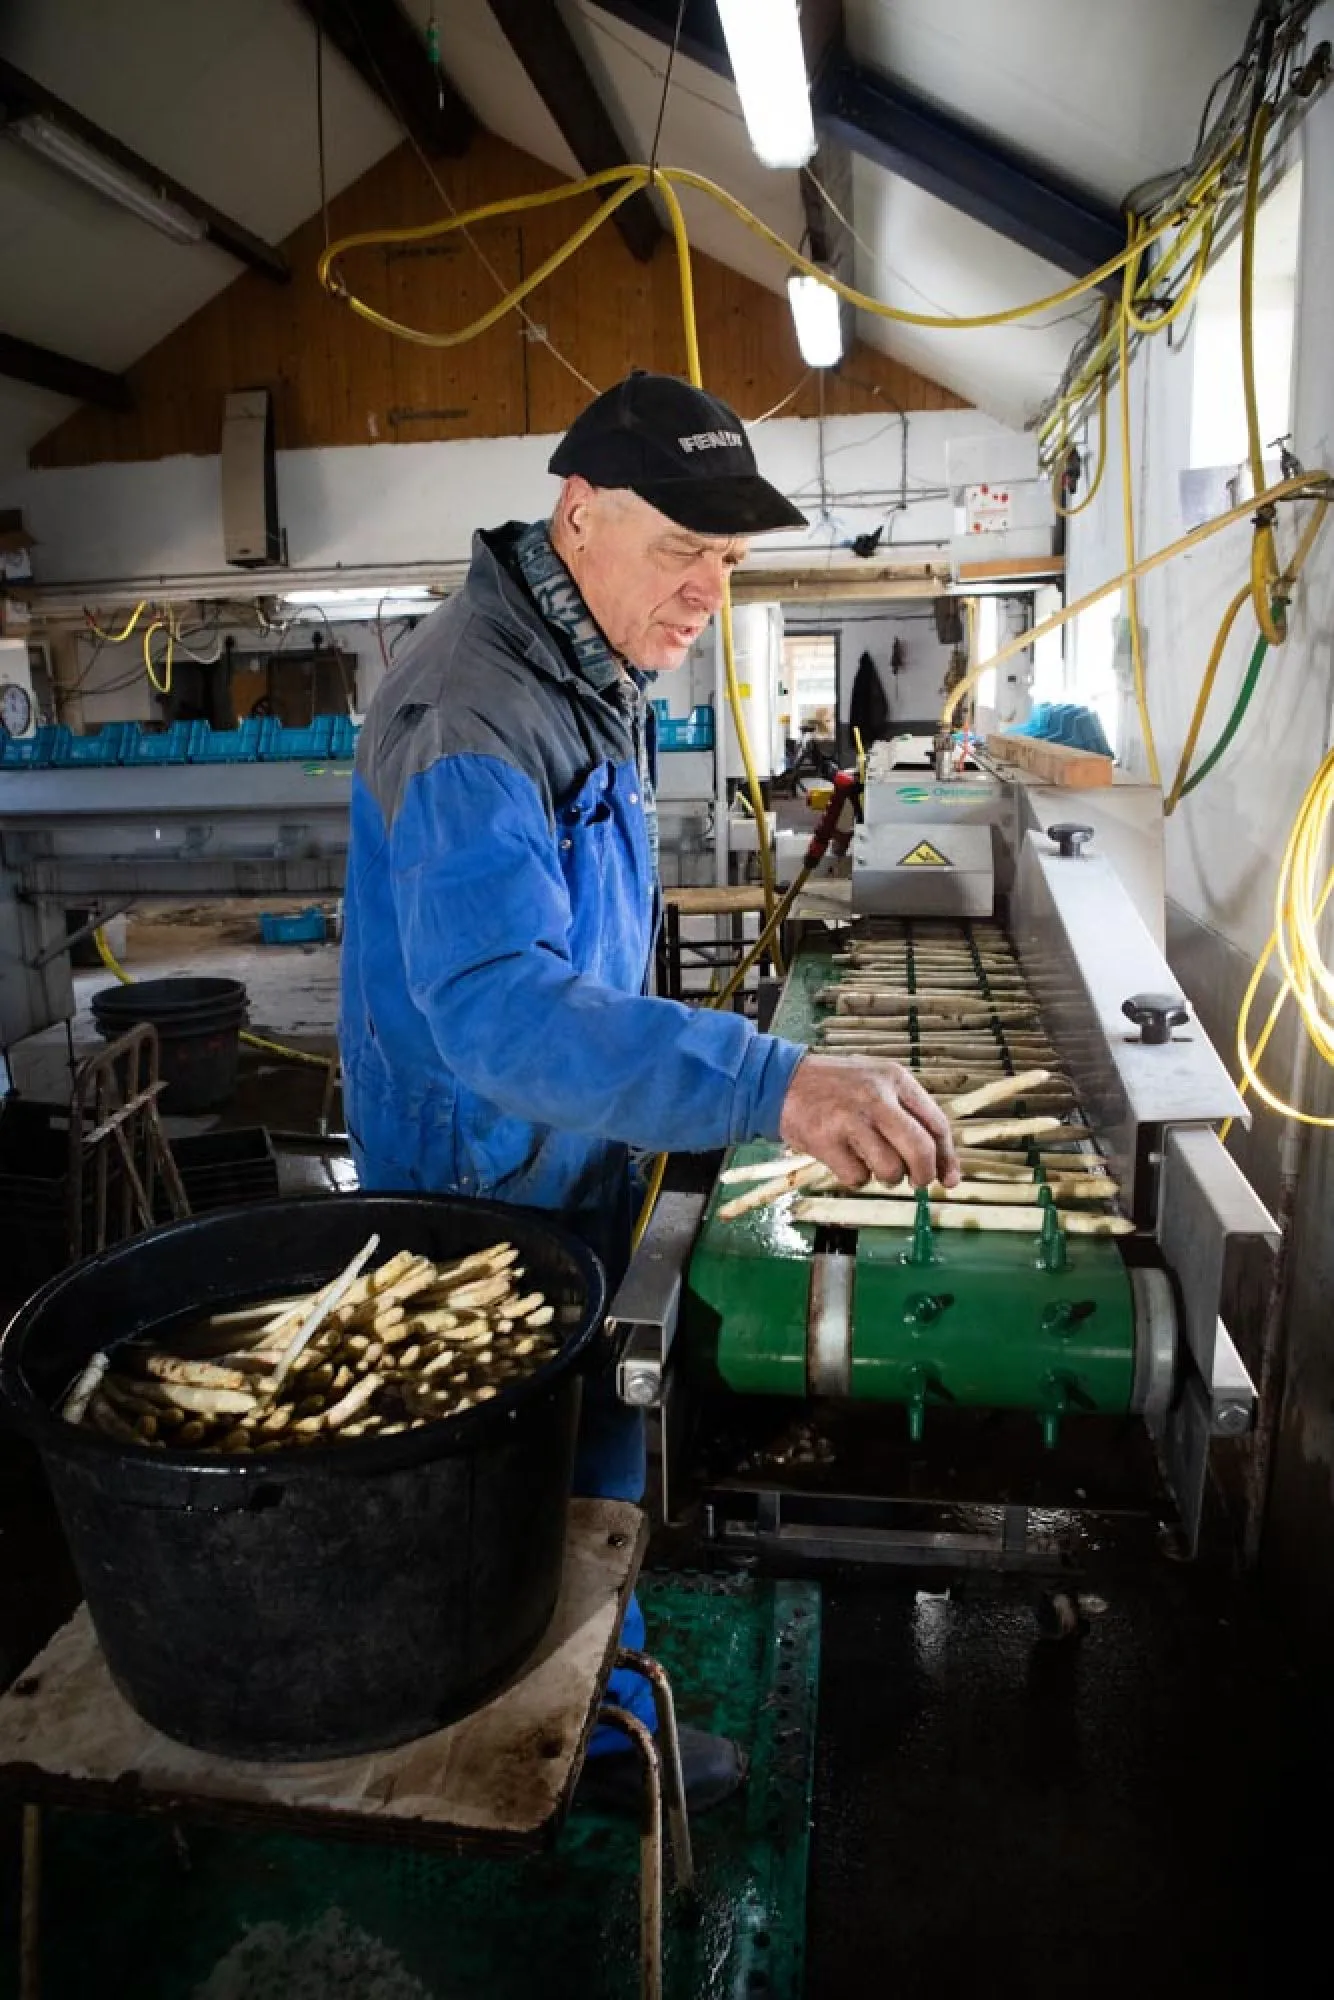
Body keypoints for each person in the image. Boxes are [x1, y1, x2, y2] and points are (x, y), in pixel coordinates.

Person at [339, 371, 958, 1810]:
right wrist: (762, 1080)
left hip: (575, 1141)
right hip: (480, 1173)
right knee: (504, 1484)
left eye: (728, 566)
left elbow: (584, 946)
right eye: (682, 554)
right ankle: (534, 1741)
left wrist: (683, 1074)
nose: (705, 598)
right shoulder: (471, 712)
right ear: (577, 514)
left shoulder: (584, 662)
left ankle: (587, 1685)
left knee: (594, 1447)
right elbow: (495, 1007)